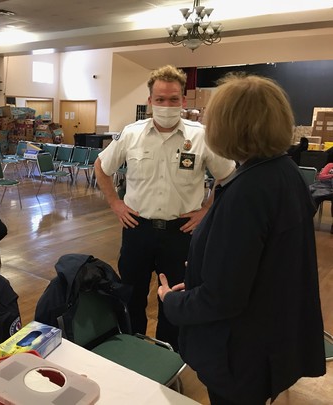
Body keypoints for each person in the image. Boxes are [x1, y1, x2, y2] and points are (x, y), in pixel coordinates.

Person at [159, 74, 325, 405]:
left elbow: (224, 299)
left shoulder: (247, 193)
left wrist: (171, 301)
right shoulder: (285, 174)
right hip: (271, 338)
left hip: (242, 352)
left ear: (228, 126)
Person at [94, 65, 235, 350]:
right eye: (160, 99)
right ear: (150, 101)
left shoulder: (201, 136)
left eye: (173, 99)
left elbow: (227, 175)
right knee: (131, 295)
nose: (167, 105)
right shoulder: (131, 134)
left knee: (175, 298)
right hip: (137, 229)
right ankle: (133, 349)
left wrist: (207, 209)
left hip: (180, 233)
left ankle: (169, 355)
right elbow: (101, 166)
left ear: (183, 101)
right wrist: (115, 203)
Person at [309, 161, 333, 233]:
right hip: (324, 187)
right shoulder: (330, 165)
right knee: (315, 196)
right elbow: (321, 177)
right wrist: (331, 175)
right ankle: (308, 220)